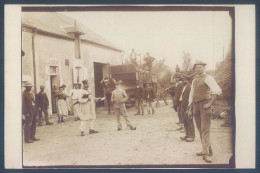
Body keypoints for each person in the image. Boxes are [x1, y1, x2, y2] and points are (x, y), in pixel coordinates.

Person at [188, 60, 222, 163]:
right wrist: (190, 109)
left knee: (205, 130)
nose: (198, 69)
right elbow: (191, 95)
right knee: (200, 129)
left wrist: (210, 103)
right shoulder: (194, 80)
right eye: (196, 67)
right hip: (195, 106)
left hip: (204, 105)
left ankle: (206, 154)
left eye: (200, 67)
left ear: (204, 68)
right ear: (194, 69)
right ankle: (207, 150)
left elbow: (217, 90)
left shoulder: (208, 78)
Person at [179, 75, 195, 142]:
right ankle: (187, 135)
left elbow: (191, 98)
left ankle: (191, 136)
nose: (183, 81)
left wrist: (189, 108)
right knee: (185, 121)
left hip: (188, 106)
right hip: (183, 105)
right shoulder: (183, 87)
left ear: (188, 80)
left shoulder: (190, 87)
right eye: (182, 80)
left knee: (189, 121)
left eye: (185, 80)